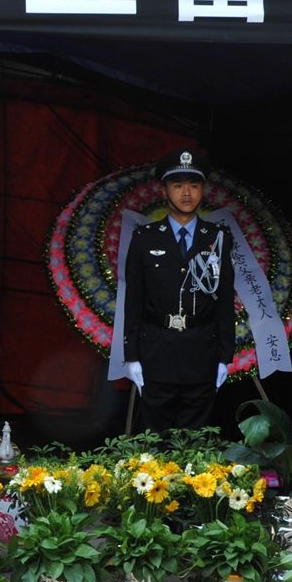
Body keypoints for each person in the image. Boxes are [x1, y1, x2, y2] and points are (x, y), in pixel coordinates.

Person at [119, 148, 236, 433]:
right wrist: (131, 355)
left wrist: (225, 357)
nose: (186, 193)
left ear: (202, 190)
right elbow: (133, 301)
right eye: (178, 185)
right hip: (156, 351)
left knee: (195, 442)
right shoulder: (144, 238)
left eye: (194, 185)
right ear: (165, 190)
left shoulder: (218, 238)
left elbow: (225, 302)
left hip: (201, 352)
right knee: (154, 441)